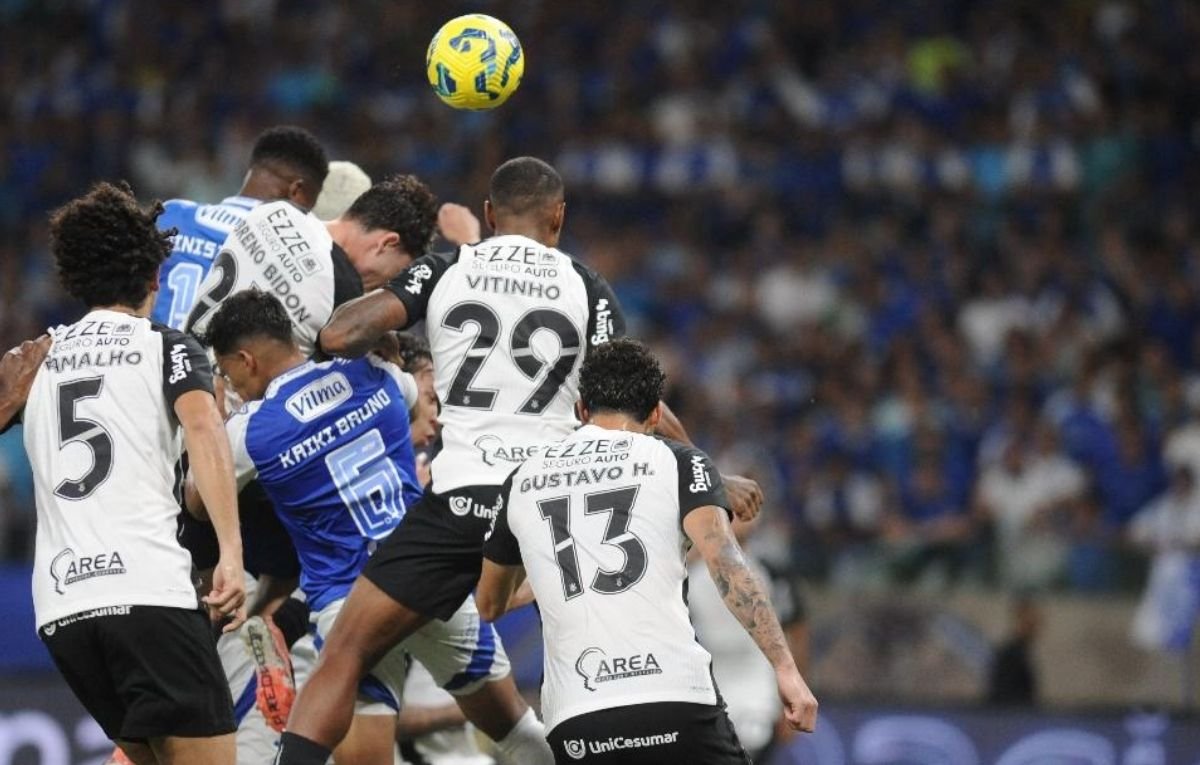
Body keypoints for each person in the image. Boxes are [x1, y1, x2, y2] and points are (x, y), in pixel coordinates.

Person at [278, 157, 760, 765]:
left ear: (487, 215)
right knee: (608, 656)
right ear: (558, 217)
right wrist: (706, 472)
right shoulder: (587, 287)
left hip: (458, 501)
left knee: (345, 652)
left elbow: (341, 335)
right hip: (550, 507)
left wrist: (377, 324)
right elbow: (636, 403)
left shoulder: (449, 267)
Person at [199, 289, 541, 765]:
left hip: (350, 606)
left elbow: (199, 498)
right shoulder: (377, 376)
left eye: (226, 369)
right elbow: (404, 396)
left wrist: (213, 418)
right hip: (424, 579)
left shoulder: (249, 432)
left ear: (245, 359)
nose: (229, 380)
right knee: (516, 729)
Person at [476, 339, 817, 763]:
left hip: (577, 714)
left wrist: (549, 579)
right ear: (657, 414)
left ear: (582, 411)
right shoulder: (677, 461)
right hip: (674, 698)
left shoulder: (522, 480)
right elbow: (725, 562)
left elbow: (490, 603)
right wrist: (786, 669)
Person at [18, 182, 246, 765]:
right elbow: (203, 428)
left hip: (64, 610)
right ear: (153, 279)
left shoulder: (36, 362)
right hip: (149, 595)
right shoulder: (166, 346)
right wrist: (230, 551)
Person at [185, 173, 443, 357]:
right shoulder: (341, 288)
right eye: (395, 274)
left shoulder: (275, 210)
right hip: (223, 413)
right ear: (386, 244)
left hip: (183, 365)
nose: (383, 287)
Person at [152, 125, 329, 328]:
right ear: (296, 191)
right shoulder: (288, 254)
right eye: (309, 206)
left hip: (144, 353)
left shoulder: (171, 213)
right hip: (211, 358)